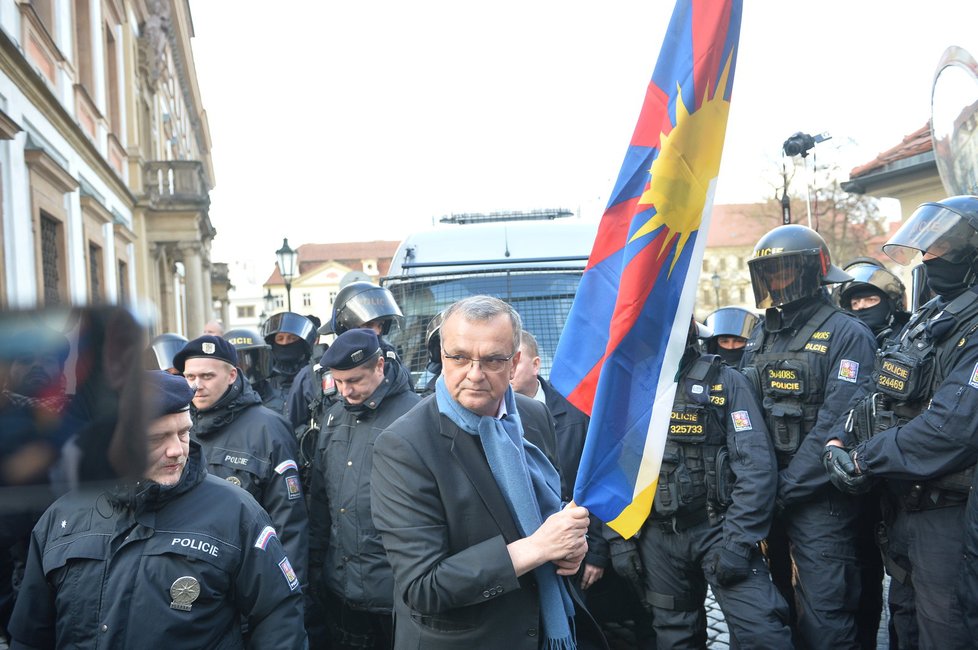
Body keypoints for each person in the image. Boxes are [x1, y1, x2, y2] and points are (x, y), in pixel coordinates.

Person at [7, 370, 307, 649]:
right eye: (157, 438)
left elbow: (278, 618)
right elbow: (30, 633)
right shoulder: (63, 516)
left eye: (183, 433)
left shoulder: (236, 513)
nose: (177, 450)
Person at [370, 295, 606, 649]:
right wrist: (537, 549)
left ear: (515, 364)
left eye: (493, 359)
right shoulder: (403, 445)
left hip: (547, 626)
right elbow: (423, 586)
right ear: (443, 358)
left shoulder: (534, 417)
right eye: (460, 357)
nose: (475, 374)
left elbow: (550, 512)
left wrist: (569, 548)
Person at [823, 195, 978, 650]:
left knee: (944, 628)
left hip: (949, 514)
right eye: (925, 251)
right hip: (901, 506)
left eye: (938, 250)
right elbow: (873, 389)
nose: (927, 260)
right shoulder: (930, 316)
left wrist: (864, 458)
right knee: (904, 621)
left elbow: (952, 429)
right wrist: (839, 438)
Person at [740, 223, 877, 649]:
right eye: (769, 273)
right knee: (774, 605)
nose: (777, 282)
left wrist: (782, 489)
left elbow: (839, 421)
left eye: (784, 271)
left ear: (810, 271)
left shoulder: (847, 333)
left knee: (826, 614)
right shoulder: (761, 333)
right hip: (768, 495)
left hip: (820, 500)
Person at [636, 318, 791, 647]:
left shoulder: (726, 382)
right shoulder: (627, 389)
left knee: (763, 634)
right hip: (656, 537)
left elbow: (755, 465)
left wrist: (739, 542)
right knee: (674, 638)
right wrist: (617, 540)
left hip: (719, 529)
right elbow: (609, 469)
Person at [511, 330, 654, 649]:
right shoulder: (489, 419)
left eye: (515, 360)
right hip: (524, 556)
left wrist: (598, 551)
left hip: (583, 549)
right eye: (503, 359)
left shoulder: (580, 414)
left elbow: (604, 482)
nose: (507, 369)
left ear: (535, 365)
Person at [308, 328, 420, 649]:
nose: (346, 391)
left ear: (380, 366)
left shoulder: (416, 414)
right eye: (339, 382)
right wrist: (316, 565)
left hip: (398, 595)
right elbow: (321, 498)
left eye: (355, 380)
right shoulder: (333, 419)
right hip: (342, 589)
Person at [173, 335, 309, 588]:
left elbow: (288, 523)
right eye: (190, 377)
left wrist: (290, 596)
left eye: (207, 376)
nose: (196, 386)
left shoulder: (267, 428)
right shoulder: (179, 426)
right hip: (191, 579)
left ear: (232, 375)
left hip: (249, 576)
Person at [835, 257, 911, 649]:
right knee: (860, 575)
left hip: (903, 477)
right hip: (856, 480)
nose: (862, 307)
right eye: (855, 301)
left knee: (904, 584)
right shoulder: (842, 339)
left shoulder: (914, 335)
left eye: (870, 299)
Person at [837, 257, 910, 344]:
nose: (861, 306)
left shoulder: (910, 338)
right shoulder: (842, 342)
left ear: (891, 305)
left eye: (870, 300)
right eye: (855, 303)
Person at [261, 311, 317, 413]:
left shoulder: (313, 375)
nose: (285, 342)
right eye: (280, 338)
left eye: (292, 338)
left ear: (302, 343)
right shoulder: (263, 378)